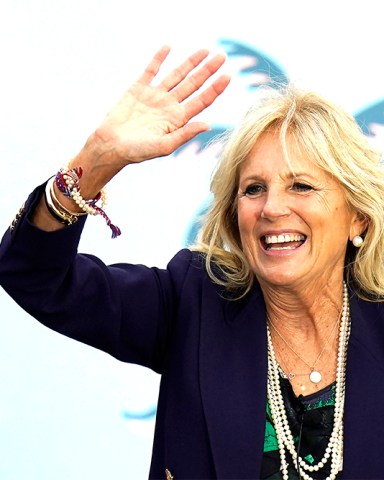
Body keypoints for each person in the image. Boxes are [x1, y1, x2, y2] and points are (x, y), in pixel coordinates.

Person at [1, 44, 384, 480]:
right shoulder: (193, 301)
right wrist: (95, 163)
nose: (272, 208)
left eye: (300, 186)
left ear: (358, 214)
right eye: (253, 189)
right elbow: (34, 276)